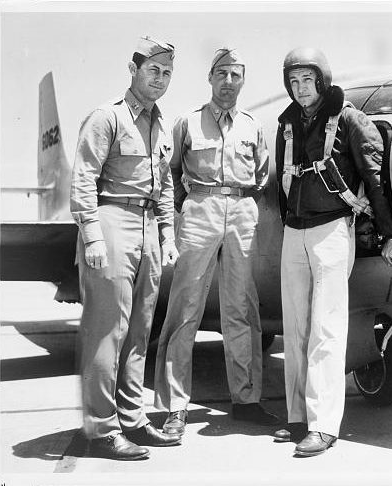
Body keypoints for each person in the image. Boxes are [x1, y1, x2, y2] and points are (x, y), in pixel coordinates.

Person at [274, 47, 392, 457]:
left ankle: (324, 425)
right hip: (294, 234)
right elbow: (284, 180)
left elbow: (374, 176)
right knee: (294, 329)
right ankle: (297, 418)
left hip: (332, 229)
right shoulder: (289, 125)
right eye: (293, 82)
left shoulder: (348, 119)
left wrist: (390, 234)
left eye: (307, 81)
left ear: (322, 80)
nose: (300, 89)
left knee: (326, 330)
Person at [154, 47, 277, 436]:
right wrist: (189, 208)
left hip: (241, 211)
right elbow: (170, 174)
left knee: (242, 307)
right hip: (199, 209)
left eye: (235, 75)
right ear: (210, 78)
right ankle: (175, 408)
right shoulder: (187, 123)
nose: (228, 81)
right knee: (185, 307)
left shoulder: (253, 126)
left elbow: (260, 176)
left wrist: (238, 205)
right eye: (221, 73)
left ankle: (247, 401)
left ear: (243, 81)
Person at [70, 35, 181, 461]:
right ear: (133, 69)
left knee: (140, 329)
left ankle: (133, 418)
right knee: (106, 328)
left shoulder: (160, 123)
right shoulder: (107, 117)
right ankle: (101, 428)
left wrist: (167, 235)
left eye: (168, 72)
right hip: (112, 219)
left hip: (149, 226)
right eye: (154, 69)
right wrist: (93, 236)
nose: (160, 79)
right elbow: (83, 179)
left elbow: (166, 185)